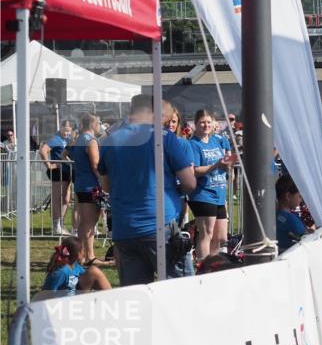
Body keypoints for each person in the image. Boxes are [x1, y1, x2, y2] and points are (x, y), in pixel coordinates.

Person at [98, 95, 196, 285]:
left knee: (137, 295)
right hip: (160, 225)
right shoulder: (165, 138)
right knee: (180, 291)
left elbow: (106, 185)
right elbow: (189, 183)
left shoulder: (110, 140)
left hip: (124, 229)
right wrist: (176, 190)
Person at [188, 110, 236, 260]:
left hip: (219, 193)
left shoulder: (216, 140)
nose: (206, 125)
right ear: (195, 124)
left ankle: (213, 264)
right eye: (202, 122)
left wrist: (228, 165)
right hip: (203, 194)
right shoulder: (193, 144)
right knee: (207, 234)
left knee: (221, 237)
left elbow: (224, 160)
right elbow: (195, 170)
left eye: (208, 122)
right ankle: (203, 266)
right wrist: (216, 165)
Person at [68, 114, 102, 264]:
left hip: (81, 183)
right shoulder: (91, 141)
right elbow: (95, 165)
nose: (100, 126)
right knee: (89, 223)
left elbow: (67, 154)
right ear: (94, 125)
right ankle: (88, 257)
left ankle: (82, 255)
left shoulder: (78, 140)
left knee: (84, 222)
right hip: (91, 186)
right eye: (99, 123)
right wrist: (104, 182)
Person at [41, 236, 111, 295]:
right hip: (65, 305)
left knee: (94, 271)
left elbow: (87, 277)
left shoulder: (75, 266)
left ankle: (112, 299)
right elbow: (46, 294)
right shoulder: (61, 272)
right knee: (94, 271)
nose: (84, 253)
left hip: (75, 300)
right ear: (78, 255)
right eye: (83, 250)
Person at [40, 120, 74, 234]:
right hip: (57, 172)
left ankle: (60, 224)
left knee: (66, 199)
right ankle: (56, 226)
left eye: (69, 130)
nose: (66, 132)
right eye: (65, 129)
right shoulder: (56, 139)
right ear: (60, 128)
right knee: (57, 198)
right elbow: (43, 150)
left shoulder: (68, 139)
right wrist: (49, 165)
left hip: (67, 172)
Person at [275, 174, 314, 253]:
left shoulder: (278, 216)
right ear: (288, 196)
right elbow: (308, 238)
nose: (301, 199)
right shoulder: (290, 219)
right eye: (299, 196)